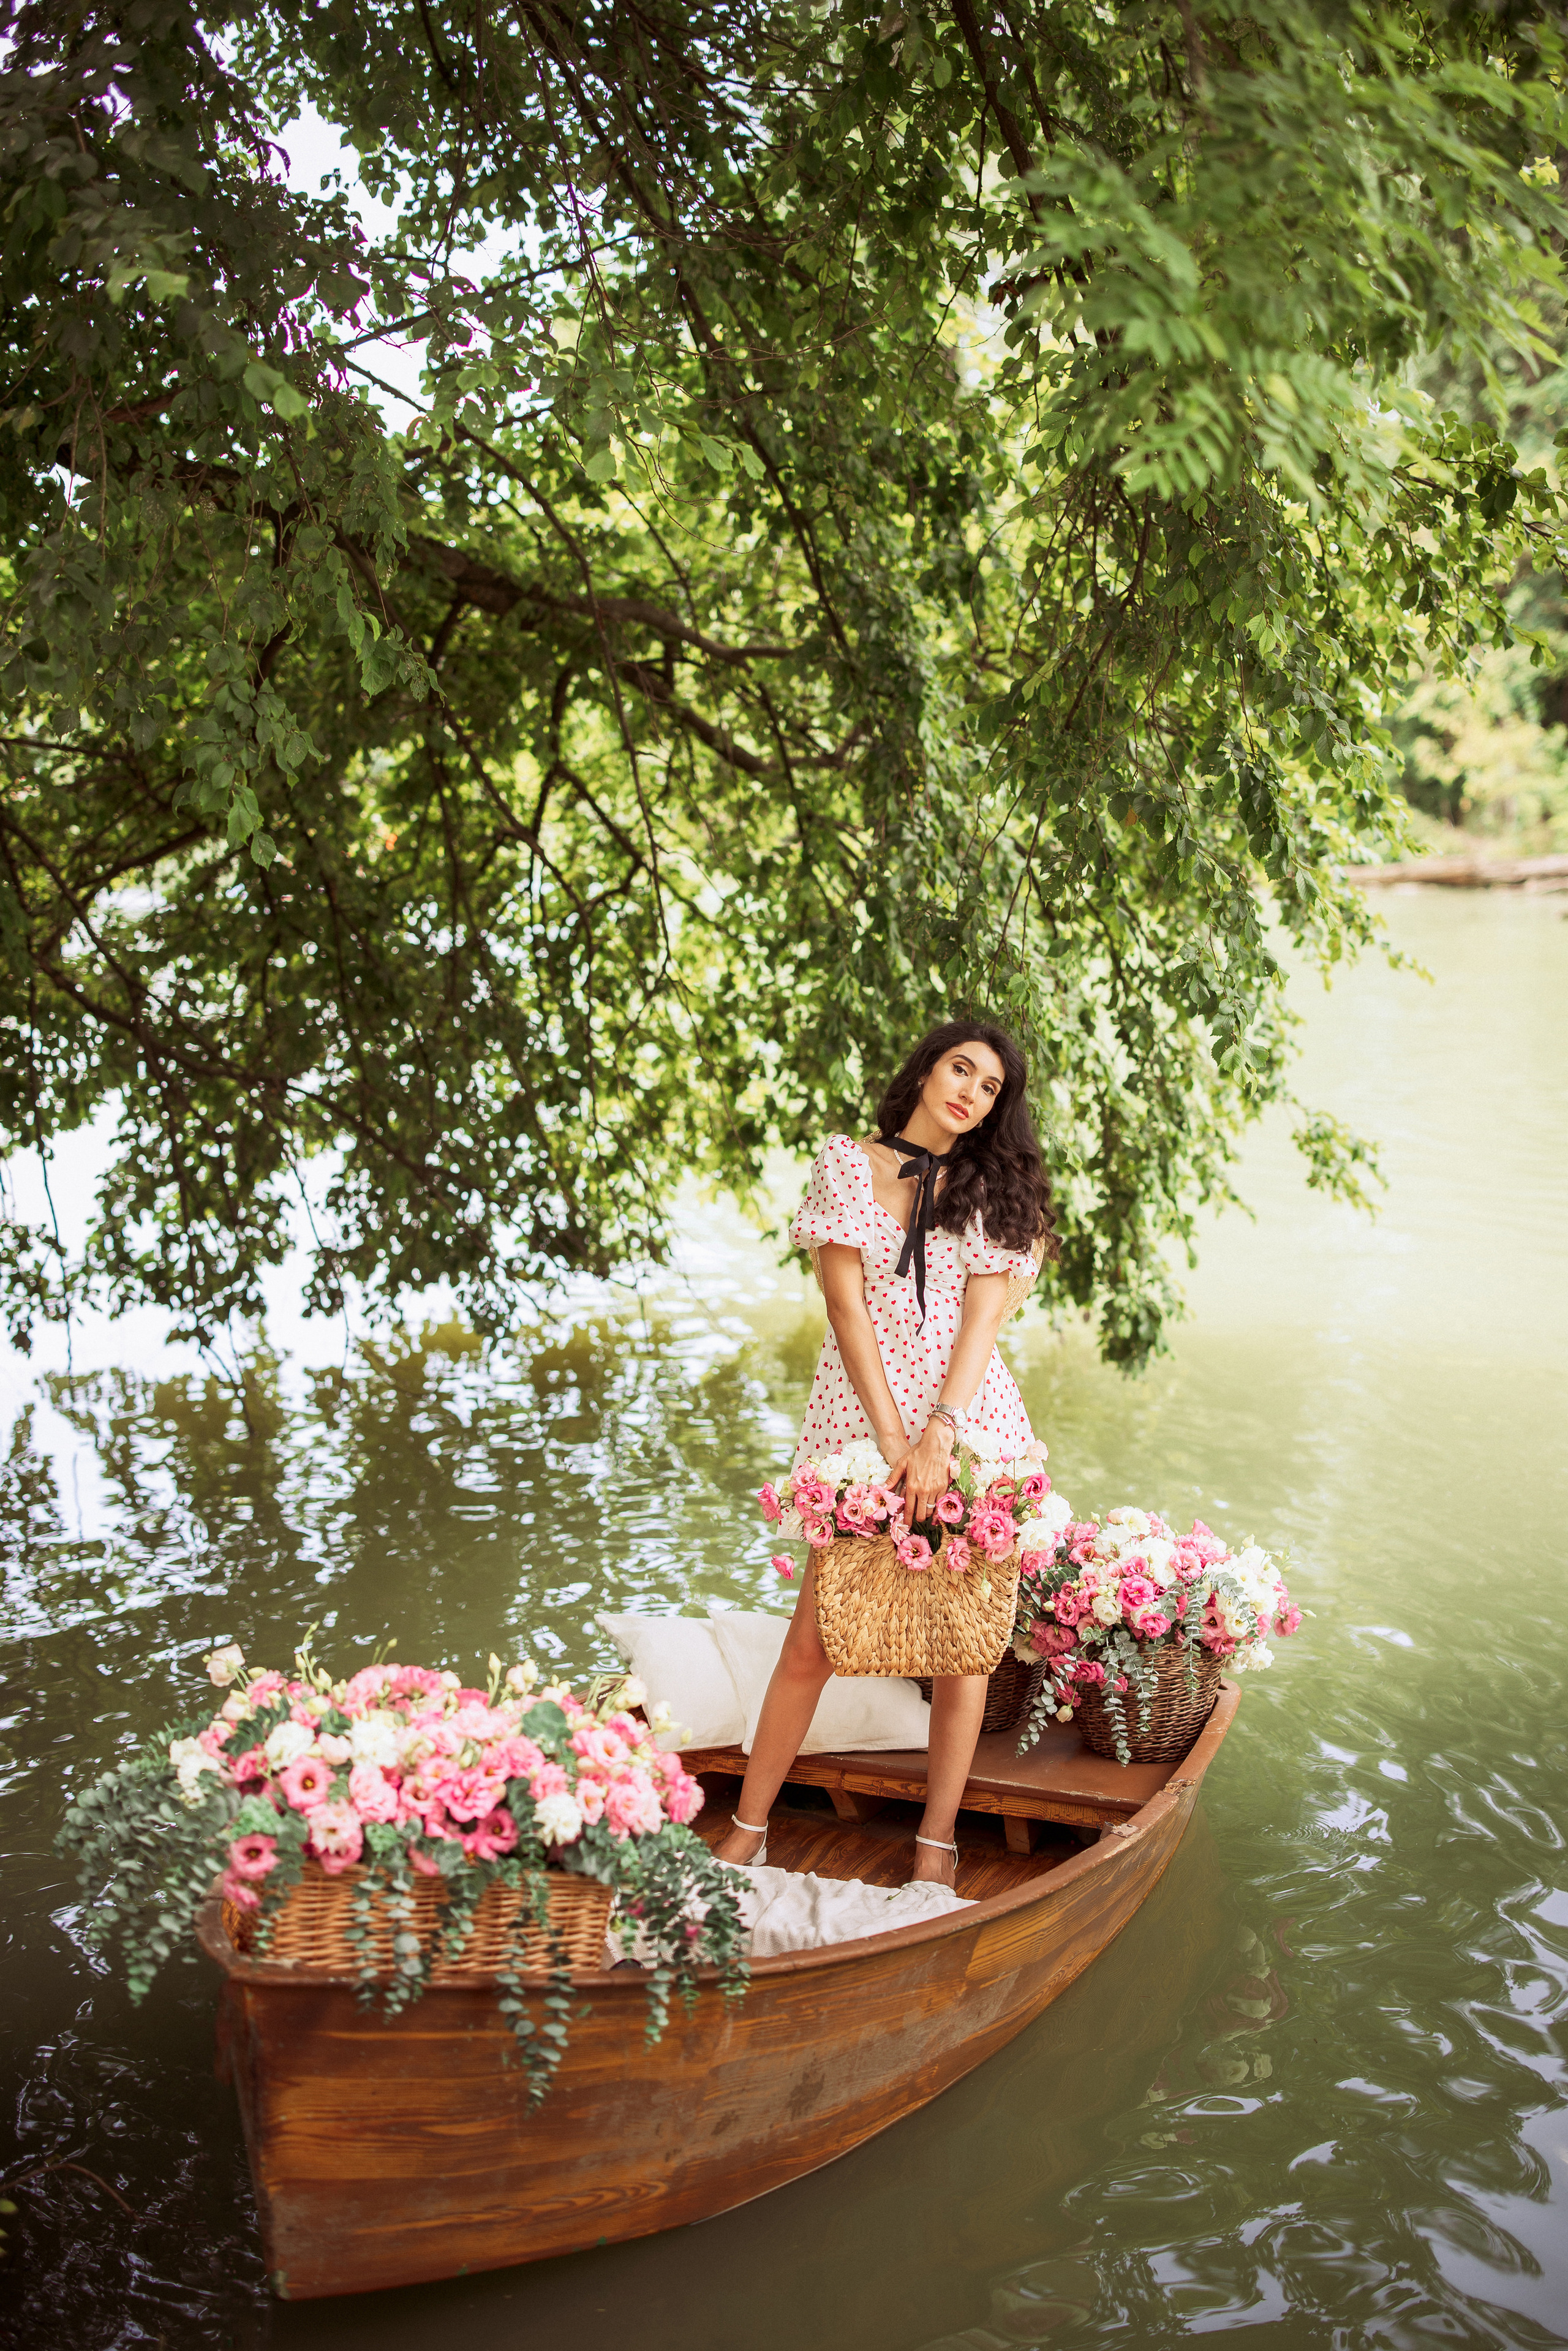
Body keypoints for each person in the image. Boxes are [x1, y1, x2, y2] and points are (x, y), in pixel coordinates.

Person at [714, 1019, 1057, 1886]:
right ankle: (750, 1828)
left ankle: (935, 1843)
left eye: (989, 1087)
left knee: (964, 1648)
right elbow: (846, 1308)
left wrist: (941, 1433)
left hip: (969, 1422)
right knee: (813, 1641)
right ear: (926, 1069)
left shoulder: (994, 1189)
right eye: (960, 1069)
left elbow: (981, 1321)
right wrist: (892, 1442)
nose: (970, 1092)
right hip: (861, 1423)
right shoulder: (845, 1163)